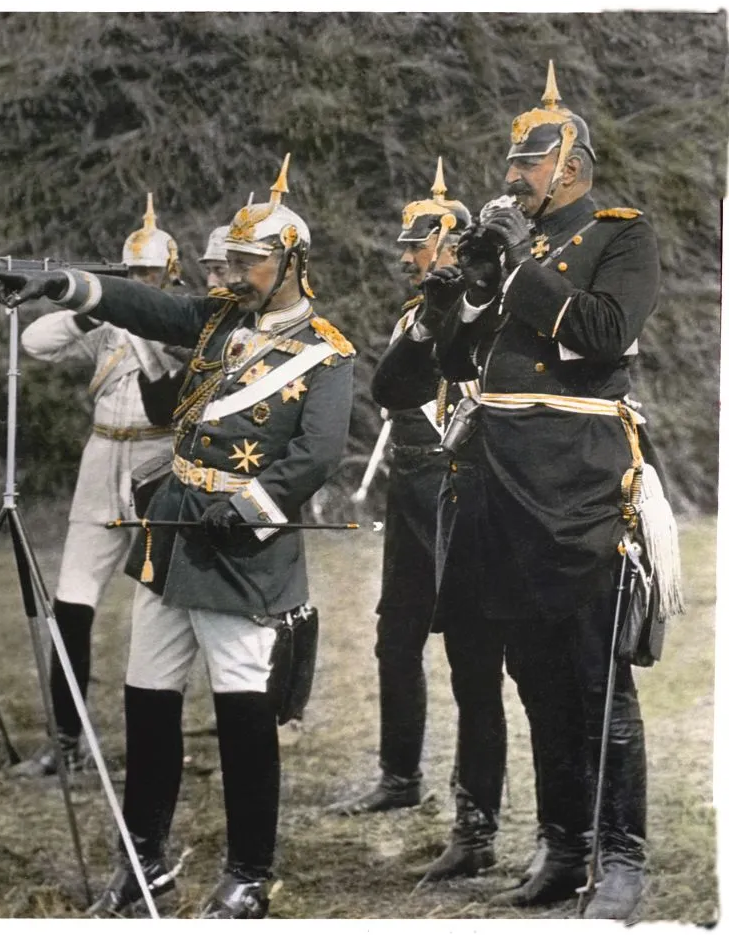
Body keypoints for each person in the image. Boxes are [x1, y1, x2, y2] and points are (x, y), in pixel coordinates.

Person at [0, 155, 354, 919]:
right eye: (235, 261)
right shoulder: (218, 317)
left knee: (241, 714)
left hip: (242, 551)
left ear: (291, 262)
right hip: (173, 538)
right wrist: (69, 286)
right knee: (148, 701)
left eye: (253, 263)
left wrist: (250, 508)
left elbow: (318, 454)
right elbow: (142, 307)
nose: (236, 273)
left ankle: (251, 875)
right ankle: (145, 863)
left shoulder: (328, 351)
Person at [434, 62, 661, 919]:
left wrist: (521, 259)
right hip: (498, 476)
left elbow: (604, 331)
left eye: (525, 166)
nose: (509, 178)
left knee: (596, 675)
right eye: (509, 165)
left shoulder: (620, 233)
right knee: (530, 669)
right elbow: (460, 364)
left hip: (576, 474)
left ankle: (623, 855)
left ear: (568, 165)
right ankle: (564, 844)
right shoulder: (506, 250)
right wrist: (463, 289)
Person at [332, 156, 508, 879]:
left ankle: (476, 823)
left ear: (456, 244)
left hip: (467, 493)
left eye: (419, 244)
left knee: (476, 663)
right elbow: (391, 388)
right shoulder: (416, 313)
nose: (407, 256)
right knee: (394, 636)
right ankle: (400, 775)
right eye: (405, 244)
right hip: (412, 491)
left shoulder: (493, 308)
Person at [13, 194, 184, 777]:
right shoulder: (106, 322)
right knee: (71, 604)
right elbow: (34, 345)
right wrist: (92, 310)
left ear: (170, 273)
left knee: (163, 606)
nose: (140, 280)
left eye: (150, 272)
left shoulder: (180, 319)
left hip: (160, 459)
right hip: (102, 457)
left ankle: (159, 742)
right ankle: (66, 741)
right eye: (131, 272)